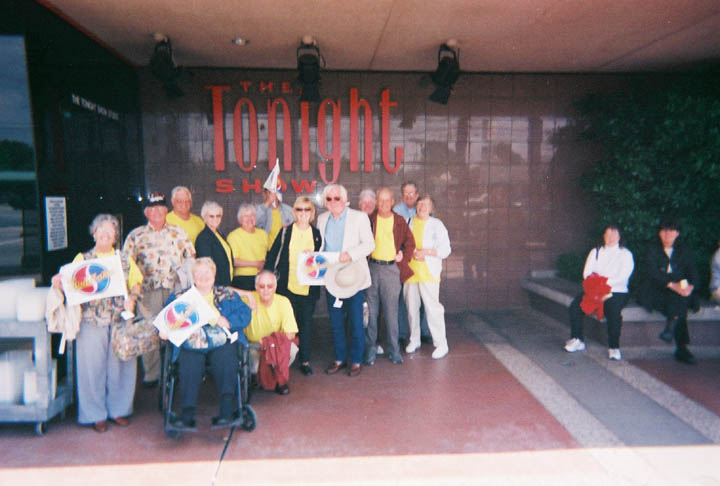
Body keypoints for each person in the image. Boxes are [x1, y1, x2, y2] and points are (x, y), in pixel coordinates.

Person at [51, 214, 143, 433]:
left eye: (110, 231)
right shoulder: (82, 258)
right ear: (94, 234)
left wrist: (133, 298)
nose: (105, 234)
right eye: (101, 230)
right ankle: (95, 414)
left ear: (115, 236)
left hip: (119, 319)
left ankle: (119, 410)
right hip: (91, 319)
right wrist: (58, 282)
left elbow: (137, 282)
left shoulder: (123, 258)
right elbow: (68, 282)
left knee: (121, 365)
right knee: (91, 368)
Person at [164, 258, 252, 431]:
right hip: (192, 341)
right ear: (193, 276)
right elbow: (166, 318)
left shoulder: (227, 294)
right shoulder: (181, 297)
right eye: (198, 273)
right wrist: (166, 330)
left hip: (221, 339)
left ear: (214, 274)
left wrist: (228, 322)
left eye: (207, 272)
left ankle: (226, 412)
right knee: (189, 361)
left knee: (226, 358)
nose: (203, 276)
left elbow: (245, 314)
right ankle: (187, 415)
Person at [123, 192, 195, 386]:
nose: (156, 212)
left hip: (174, 289)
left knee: (177, 327)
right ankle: (152, 375)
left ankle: (175, 371)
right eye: (152, 209)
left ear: (165, 210)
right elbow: (126, 265)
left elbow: (190, 258)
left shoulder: (178, 232)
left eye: (160, 209)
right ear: (146, 212)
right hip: (148, 291)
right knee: (150, 330)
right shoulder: (136, 235)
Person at [317, 184, 375, 377]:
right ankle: (340, 358)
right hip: (332, 278)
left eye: (337, 198)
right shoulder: (322, 219)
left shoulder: (359, 217)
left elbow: (369, 244)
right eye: (329, 199)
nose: (333, 202)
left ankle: (356, 360)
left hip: (353, 277)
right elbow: (320, 246)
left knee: (357, 321)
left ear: (345, 199)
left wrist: (349, 254)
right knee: (336, 322)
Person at [264, 197, 322, 376]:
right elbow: (273, 255)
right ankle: (282, 358)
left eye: (307, 209)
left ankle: (304, 360)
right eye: (299, 209)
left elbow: (321, 260)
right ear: (294, 212)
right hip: (286, 287)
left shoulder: (316, 233)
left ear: (312, 212)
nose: (303, 213)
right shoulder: (286, 231)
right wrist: (267, 279)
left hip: (308, 289)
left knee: (306, 325)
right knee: (286, 325)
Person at [563, 225, 635, 360]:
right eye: (608, 234)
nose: (611, 238)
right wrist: (598, 286)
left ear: (620, 237)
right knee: (575, 307)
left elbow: (623, 276)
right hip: (594, 290)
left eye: (614, 234)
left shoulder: (626, 254)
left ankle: (614, 347)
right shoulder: (595, 252)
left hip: (616, 291)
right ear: (603, 236)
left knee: (613, 312)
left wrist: (603, 284)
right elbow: (586, 273)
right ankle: (577, 339)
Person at [364, 188, 415, 366]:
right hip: (372, 268)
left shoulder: (399, 221)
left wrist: (403, 255)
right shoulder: (369, 220)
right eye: (381, 200)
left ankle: (394, 350)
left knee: (391, 313)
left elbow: (410, 243)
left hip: (392, 270)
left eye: (387, 200)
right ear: (376, 202)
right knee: (371, 313)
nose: (384, 203)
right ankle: (371, 349)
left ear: (393, 202)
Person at [642, 219, 699, 364]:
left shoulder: (684, 250)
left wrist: (690, 288)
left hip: (680, 291)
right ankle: (681, 348)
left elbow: (694, 274)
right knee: (679, 302)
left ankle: (670, 329)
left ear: (677, 233)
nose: (667, 234)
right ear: (659, 233)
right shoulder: (652, 249)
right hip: (658, 290)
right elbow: (652, 274)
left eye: (671, 231)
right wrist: (672, 285)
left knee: (679, 299)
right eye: (664, 231)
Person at [403, 195, 452, 359]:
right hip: (411, 272)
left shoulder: (437, 225)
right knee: (411, 308)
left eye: (426, 204)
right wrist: (411, 252)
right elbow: (403, 244)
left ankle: (441, 344)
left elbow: (446, 250)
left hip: (428, 273)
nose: (422, 207)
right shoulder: (408, 222)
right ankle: (414, 340)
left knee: (433, 309)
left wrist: (427, 252)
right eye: (419, 204)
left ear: (431, 208)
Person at [242, 270, 299, 394]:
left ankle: (279, 378)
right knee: (254, 364)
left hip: (275, 345)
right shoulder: (247, 299)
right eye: (262, 286)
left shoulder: (283, 302)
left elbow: (291, 334)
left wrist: (269, 342)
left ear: (275, 287)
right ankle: (257, 377)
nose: (266, 290)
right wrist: (246, 293)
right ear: (256, 287)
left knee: (292, 350)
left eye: (270, 286)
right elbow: (223, 290)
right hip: (253, 344)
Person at [393, 181, 432, 345]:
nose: (409, 196)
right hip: (403, 261)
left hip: (422, 263)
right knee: (402, 299)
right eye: (406, 193)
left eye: (412, 193)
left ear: (417, 195)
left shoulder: (424, 210)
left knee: (424, 299)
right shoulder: (396, 211)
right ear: (402, 195)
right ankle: (403, 333)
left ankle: (424, 331)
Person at [357, 189, 382, 355]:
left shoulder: (380, 220)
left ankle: (373, 341)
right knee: (358, 308)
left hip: (375, 269)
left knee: (373, 308)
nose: (367, 206)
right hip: (357, 271)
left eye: (370, 203)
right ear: (359, 205)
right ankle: (359, 342)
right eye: (364, 203)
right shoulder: (354, 219)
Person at [227, 204, 269, 291]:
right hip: (243, 277)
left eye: (252, 215)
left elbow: (269, 254)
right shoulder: (234, 236)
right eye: (246, 216)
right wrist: (256, 264)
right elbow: (234, 261)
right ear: (240, 220)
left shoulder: (263, 234)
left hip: (263, 276)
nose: (250, 219)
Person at [194, 201, 233, 287]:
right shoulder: (203, 238)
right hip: (215, 285)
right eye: (211, 216)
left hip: (226, 283)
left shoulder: (220, 234)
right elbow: (206, 266)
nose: (215, 219)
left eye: (218, 216)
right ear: (204, 218)